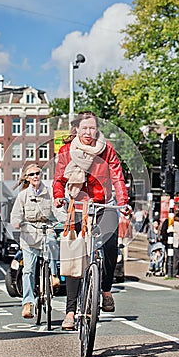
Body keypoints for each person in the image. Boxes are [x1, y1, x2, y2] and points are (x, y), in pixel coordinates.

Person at [53, 110, 130, 330]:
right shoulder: (67, 150)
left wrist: (123, 203)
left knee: (111, 245)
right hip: (77, 205)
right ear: (76, 129)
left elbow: (117, 177)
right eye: (84, 128)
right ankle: (70, 311)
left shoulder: (107, 150)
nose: (89, 132)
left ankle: (105, 290)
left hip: (102, 204)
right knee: (74, 255)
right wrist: (59, 197)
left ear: (97, 129)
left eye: (92, 128)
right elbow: (59, 179)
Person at [11, 164, 60, 319]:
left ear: (41, 174)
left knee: (52, 242)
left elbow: (59, 211)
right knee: (28, 270)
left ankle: (53, 274)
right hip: (29, 233)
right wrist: (17, 222)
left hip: (46, 228)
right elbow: (16, 214)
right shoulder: (23, 195)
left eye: (37, 173)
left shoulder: (50, 193)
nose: (35, 176)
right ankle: (28, 303)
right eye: (31, 174)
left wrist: (67, 220)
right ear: (28, 178)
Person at [173, 211, 179, 278]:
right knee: (177, 258)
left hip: (173, 242)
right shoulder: (178, 224)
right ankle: (175, 273)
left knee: (174, 258)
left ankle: (175, 272)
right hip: (177, 243)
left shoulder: (173, 223)